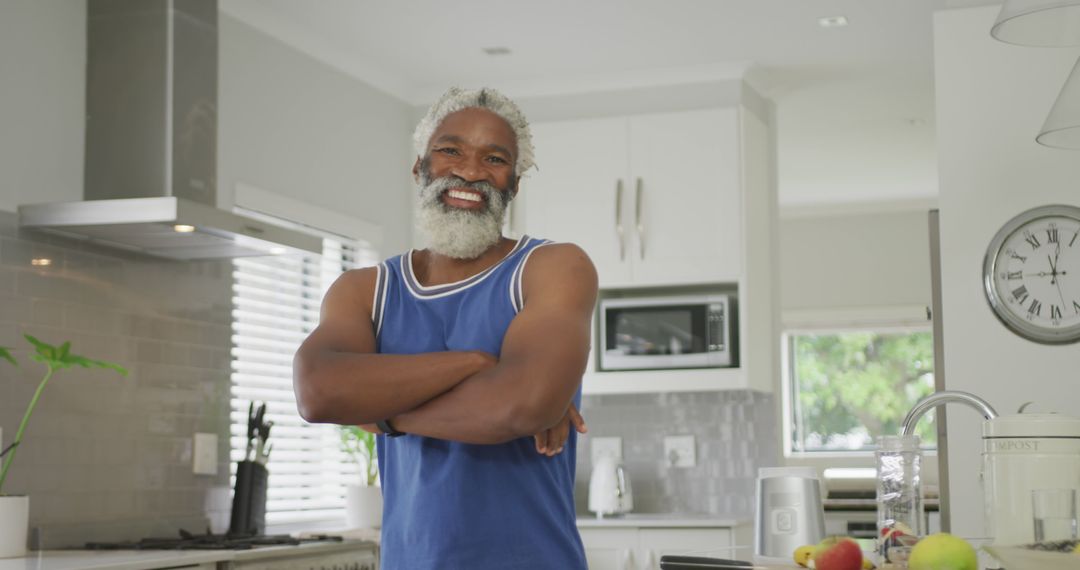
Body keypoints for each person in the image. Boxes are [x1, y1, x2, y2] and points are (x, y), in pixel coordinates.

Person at [293, 87, 597, 570]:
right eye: (450, 150)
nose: (471, 172)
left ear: (513, 184)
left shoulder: (552, 267)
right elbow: (317, 393)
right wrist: (476, 363)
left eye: (494, 159)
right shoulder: (363, 289)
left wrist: (382, 413)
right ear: (420, 169)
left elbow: (517, 408)